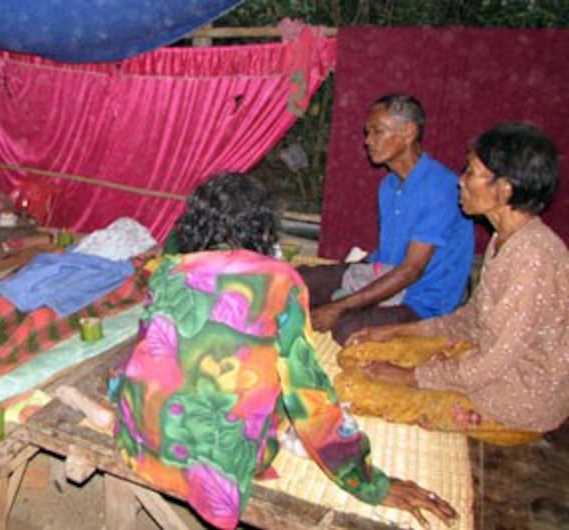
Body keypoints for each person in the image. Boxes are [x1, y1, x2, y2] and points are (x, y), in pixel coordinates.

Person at [108, 173, 456, 529]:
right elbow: (308, 395)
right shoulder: (279, 281)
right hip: (215, 464)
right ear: (261, 228)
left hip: (143, 439)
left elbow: (155, 353)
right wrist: (368, 482)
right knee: (270, 383)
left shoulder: (167, 271)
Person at [339, 123, 569, 445]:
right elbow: (473, 318)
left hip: (515, 398)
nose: (460, 181)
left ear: (504, 190)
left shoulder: (534, 258)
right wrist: (398, 330)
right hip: (486, 364)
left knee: (349, 388)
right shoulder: (506, 239)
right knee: (360, 352)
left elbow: (492, 363)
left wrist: (408, 377)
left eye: (471, 172)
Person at [299, 94, 475, 345]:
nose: (368, 141)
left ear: (408, 132)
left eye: (377, 131)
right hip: (384, 277)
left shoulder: (441, 188)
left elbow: (410, 271)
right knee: (298, 280)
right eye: (368, 132)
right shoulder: (389, 185)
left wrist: (338, 306)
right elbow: (388, 257)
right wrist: (349, 271)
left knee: (347, 329)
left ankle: (361, 313)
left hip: (421, 300)